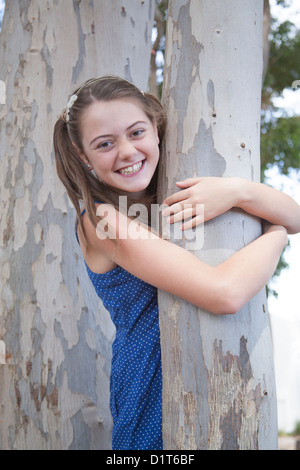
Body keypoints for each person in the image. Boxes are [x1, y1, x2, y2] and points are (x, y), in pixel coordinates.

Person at [53, 76, 300, 450]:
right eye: (104, 144)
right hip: (152, 382)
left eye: (136, 132)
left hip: (216, 376)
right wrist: (276, 234)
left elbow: (297, 215)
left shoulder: (165, 191)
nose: (126, 151)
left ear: (155, 127)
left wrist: (237, 190)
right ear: (83, 156)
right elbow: (224, 293)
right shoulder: (101, 220)